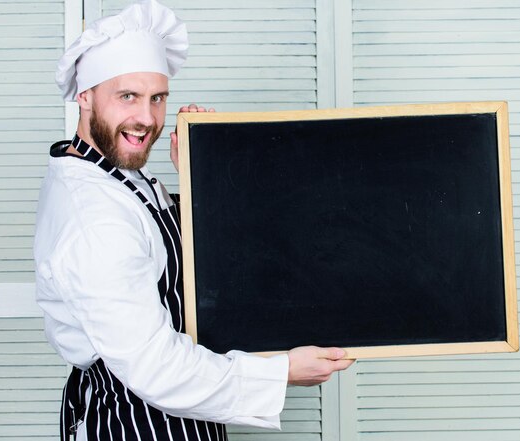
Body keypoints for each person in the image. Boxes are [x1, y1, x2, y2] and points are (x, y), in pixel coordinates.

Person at [34, 1, 353, 440]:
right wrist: (279, 373)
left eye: (157, 97)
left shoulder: (114, 173)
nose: (146, 118)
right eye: (127, 96)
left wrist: (203, 172)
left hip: (184, 409)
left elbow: (163, 246)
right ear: (85, 96)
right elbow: (156, 367)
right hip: (137, 419)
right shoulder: (95, 221)